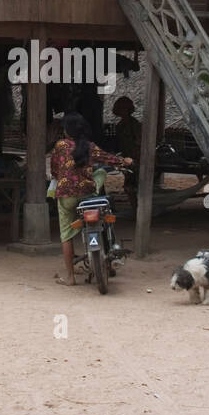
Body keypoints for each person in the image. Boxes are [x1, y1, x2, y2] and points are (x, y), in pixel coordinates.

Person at [48, 112, 132, 286]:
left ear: (67, 130)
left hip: (66, 196)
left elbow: (54, 171)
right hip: (87, 194)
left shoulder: (59, 146)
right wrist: (126, 161)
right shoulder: (90, 146)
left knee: (66, 235)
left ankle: (71, 278)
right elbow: (110, 160)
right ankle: (108, 259)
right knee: (100, 172)